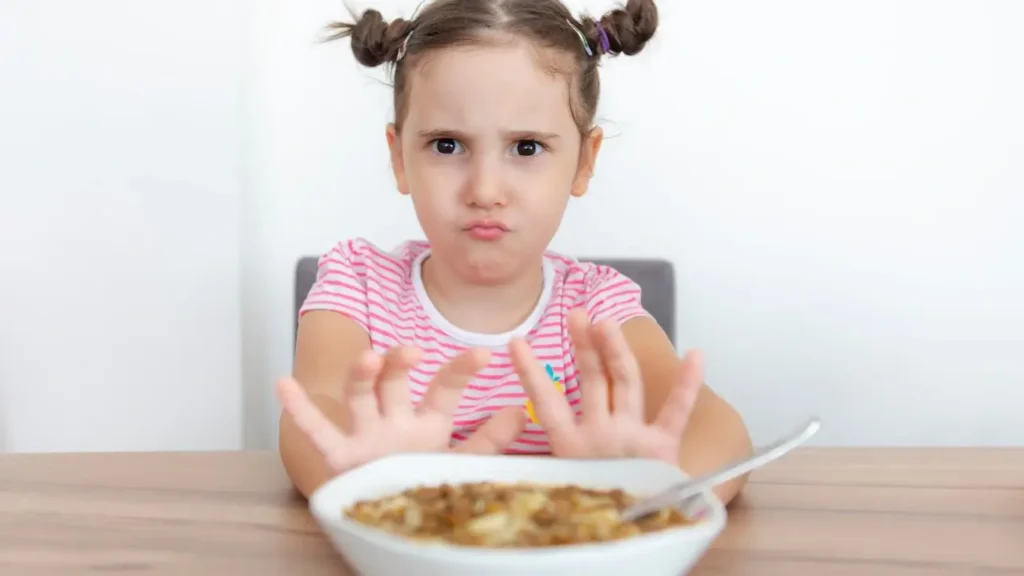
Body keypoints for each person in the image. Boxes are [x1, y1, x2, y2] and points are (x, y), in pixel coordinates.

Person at [276, 0, 753, 504]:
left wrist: (628, 491)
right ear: (399, 158)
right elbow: (312, 415)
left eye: (526, 147)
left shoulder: (598, 306)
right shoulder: (356, 283)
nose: (485, 190)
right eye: (446, 145)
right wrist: (373, 479)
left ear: (583, 163)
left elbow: (719, 434)